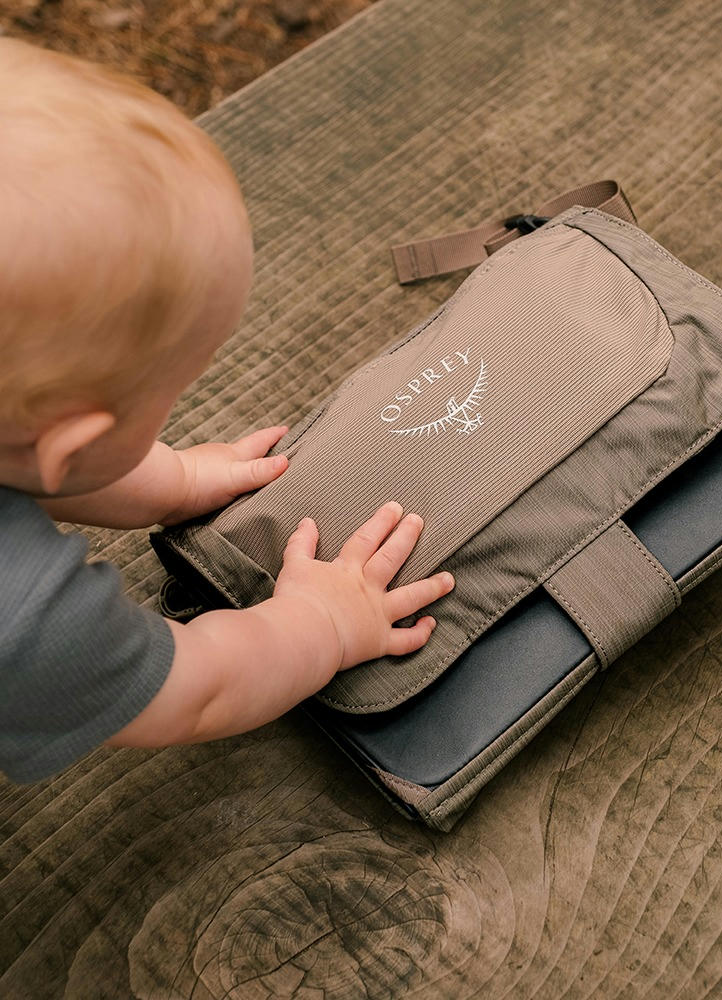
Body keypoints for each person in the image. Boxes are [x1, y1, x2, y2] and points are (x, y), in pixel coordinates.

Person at [0, 38, 454, 783]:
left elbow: (34, 456)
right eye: (168, 394)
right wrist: (322, 624)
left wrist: (170, 480)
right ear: (70, 442)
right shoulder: (21, 620)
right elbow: (195, 689)